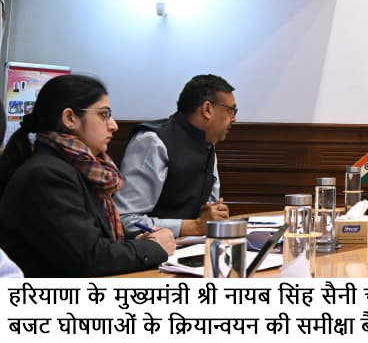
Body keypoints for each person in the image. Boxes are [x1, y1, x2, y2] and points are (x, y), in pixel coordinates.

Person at [0, 75, 175, 277]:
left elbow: (91, 245)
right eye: (104, 115)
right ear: (70, 118)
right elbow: (89, 257)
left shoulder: (80, 169)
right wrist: (153, 247)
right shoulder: (46, 175)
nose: (114, 125)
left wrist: (137, 246)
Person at [116, 74, 235, 237]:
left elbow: (206, 216)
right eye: (231, 110)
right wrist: (195, 226)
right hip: (150, 250)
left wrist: (214, 214)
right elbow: (126, 220)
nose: (234, 119)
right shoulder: (153, 141)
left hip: (191, 247)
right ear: (207, 109)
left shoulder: (208, 143)